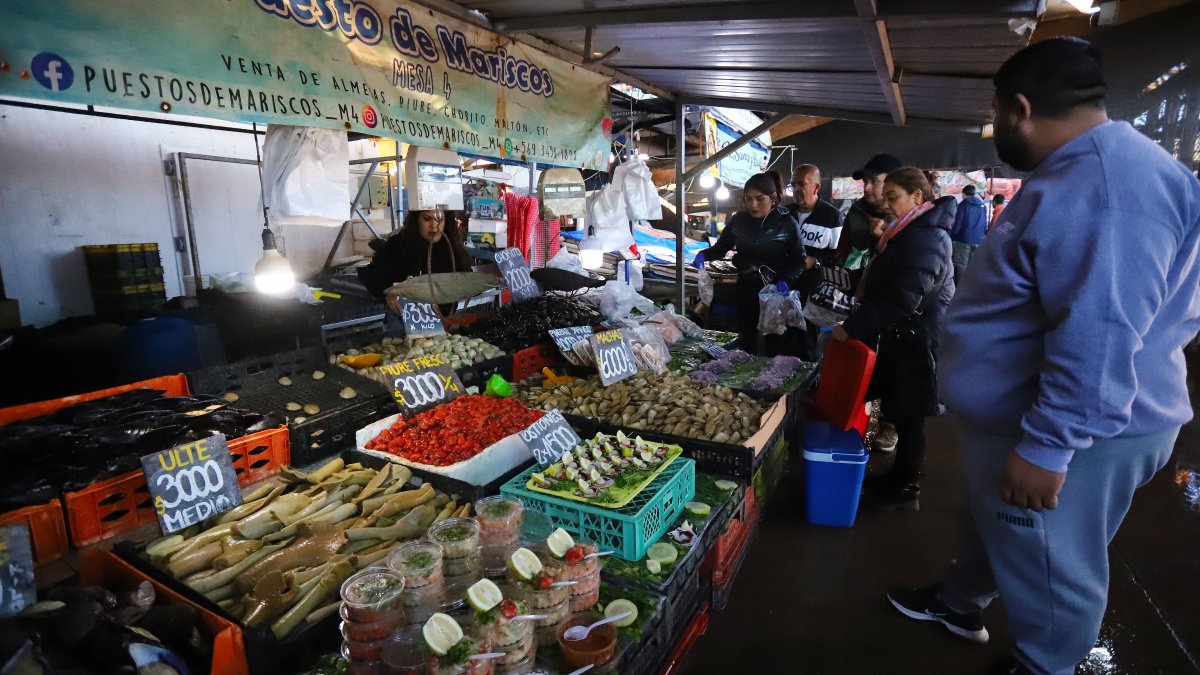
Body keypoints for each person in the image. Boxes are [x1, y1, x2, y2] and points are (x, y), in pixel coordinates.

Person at [885, 37, 1200, 675]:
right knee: (994, 520)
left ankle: (1045, 663)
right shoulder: (1084, 168)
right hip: (1028, 418)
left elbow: (1102, 332)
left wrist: (1048, 447)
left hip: (1071, 430)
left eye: (995, 111)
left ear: (1018, 108)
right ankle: (959, 601)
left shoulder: (1108, 186)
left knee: (1056, 565)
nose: (994, 124)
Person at [832, 167, 955, 510]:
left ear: (917, 197)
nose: (887, 205)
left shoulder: (929, 237)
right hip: (904, 334)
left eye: (893, 197)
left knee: (911, 416)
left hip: (918, 338)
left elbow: (903, 296)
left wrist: (853, 327)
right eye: (886, 198)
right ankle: (900, 478)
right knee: (902, 410)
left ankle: (905, 486)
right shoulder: (907, 231)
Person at [695, 172, 807, 355]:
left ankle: (771, 379)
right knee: (747, 338)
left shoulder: (787, 223)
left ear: (772, 198)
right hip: (746, 288)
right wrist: (703, 255)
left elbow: (799, 260)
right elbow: (721, 248)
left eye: (759, 199)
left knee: (774, 341)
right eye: (748, 199)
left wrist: (786, 279)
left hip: (774, 293)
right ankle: (746, 376)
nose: (753, 205)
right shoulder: (739, 220)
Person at [357, 209, 471, 300]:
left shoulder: (453, 247)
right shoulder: (397, 245)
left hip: (443, 319)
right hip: (402, 319)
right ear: (416, 220)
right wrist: (389, 294)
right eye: (427, 219)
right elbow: (373, 277)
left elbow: (467, 282)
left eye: (440, 219)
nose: (434, 225)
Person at [949, 184, 988, 283]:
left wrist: (952, 236)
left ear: (964, 193)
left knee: (961, 265)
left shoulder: (963, 205)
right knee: (974, 265)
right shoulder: (982, 205)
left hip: (963, 240)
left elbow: (958, 224)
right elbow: (985, 223)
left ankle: (961, 287)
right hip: (978, 240)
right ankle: (972, 285)